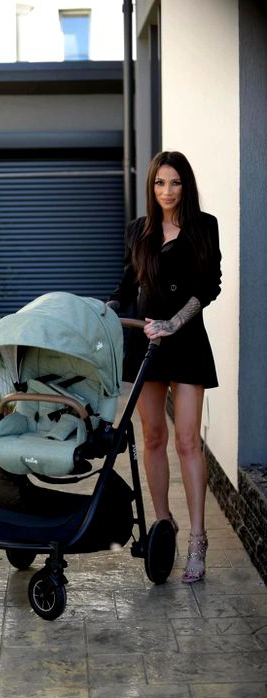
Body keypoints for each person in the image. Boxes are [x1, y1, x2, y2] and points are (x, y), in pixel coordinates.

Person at [108, 150, 222, 583]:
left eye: (175, 182)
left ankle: (198, 540)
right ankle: (163, 526)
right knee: (153, 436)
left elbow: (209, 286)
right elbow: (126, 283)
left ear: (185, 185)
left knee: (187, 440)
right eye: (160, 183)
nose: (167, 191)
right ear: (151, 186)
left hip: (186, 341)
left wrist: (174, 323)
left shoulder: (203, 226)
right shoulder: (138, 230)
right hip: (146, 341)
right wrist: (107, 308)